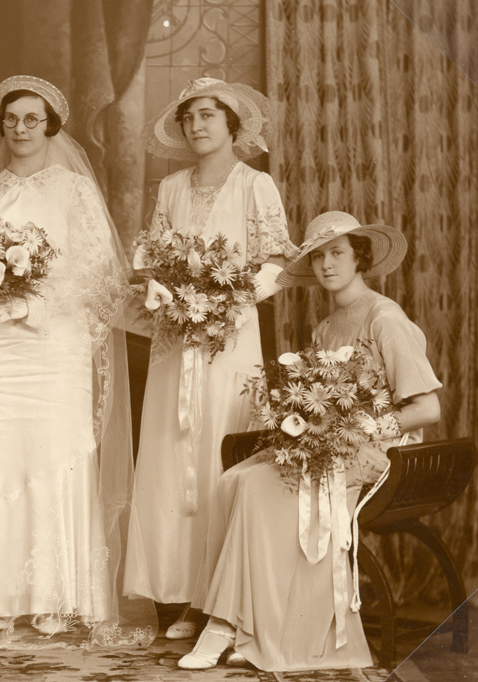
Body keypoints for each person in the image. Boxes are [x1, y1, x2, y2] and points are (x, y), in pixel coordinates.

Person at [179, 211, 442, 671]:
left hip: (377, 453)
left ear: (359, 258)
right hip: (329, 448)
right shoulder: (325, 327)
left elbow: (427, 409)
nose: (327, 265)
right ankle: (247, 623)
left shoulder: (385, 317)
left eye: (337, 253)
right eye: (318, 257)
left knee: (259, 488)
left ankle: (223, 626)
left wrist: (360, 428)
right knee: (233, 480)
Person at [0, 75, 154, 647]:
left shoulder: (73, 190)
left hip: (56, 346)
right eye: (11, 119)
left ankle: (55, 598)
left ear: (50, 127)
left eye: (32, 120)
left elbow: (97, 274)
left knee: (55, 459)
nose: (20, 129)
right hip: (1, 349)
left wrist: (32, 302)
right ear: (1, 126)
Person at [122, 77, 298, 639]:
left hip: (230, 340)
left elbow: (277, 262)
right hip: (175, 343)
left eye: (207, 115)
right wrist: (160, 288)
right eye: (189, 117)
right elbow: (152, 257)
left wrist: (230, 301)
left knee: (219, 451)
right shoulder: (172, 187)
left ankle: (217, 601)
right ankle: (176, 593)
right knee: (172, 455)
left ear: (231, 124)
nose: (197, 125)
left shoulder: (255, 185)